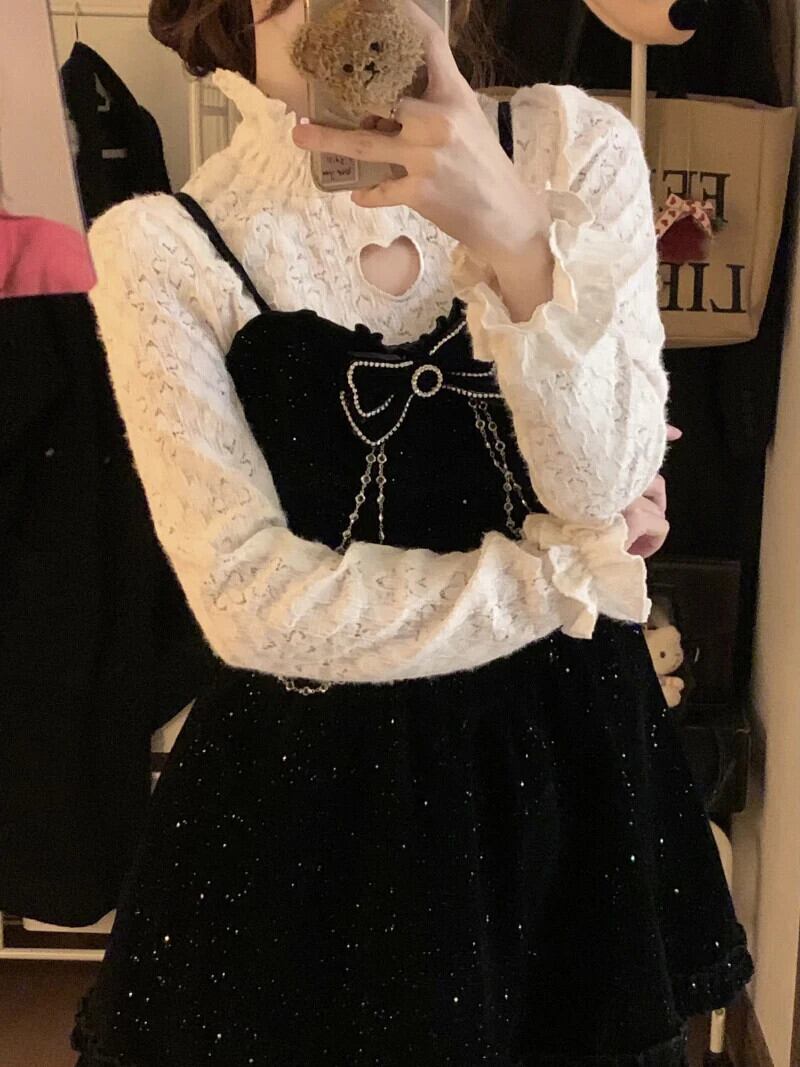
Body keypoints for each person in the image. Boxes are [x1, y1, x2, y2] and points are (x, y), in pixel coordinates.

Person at [70, 1, 752, 1064]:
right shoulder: (159, 247)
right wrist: (561, 575)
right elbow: (249, 602)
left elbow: (603, 480)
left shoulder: (576, 152)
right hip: (308, 814)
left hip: (572, 790)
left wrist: (514, 234)